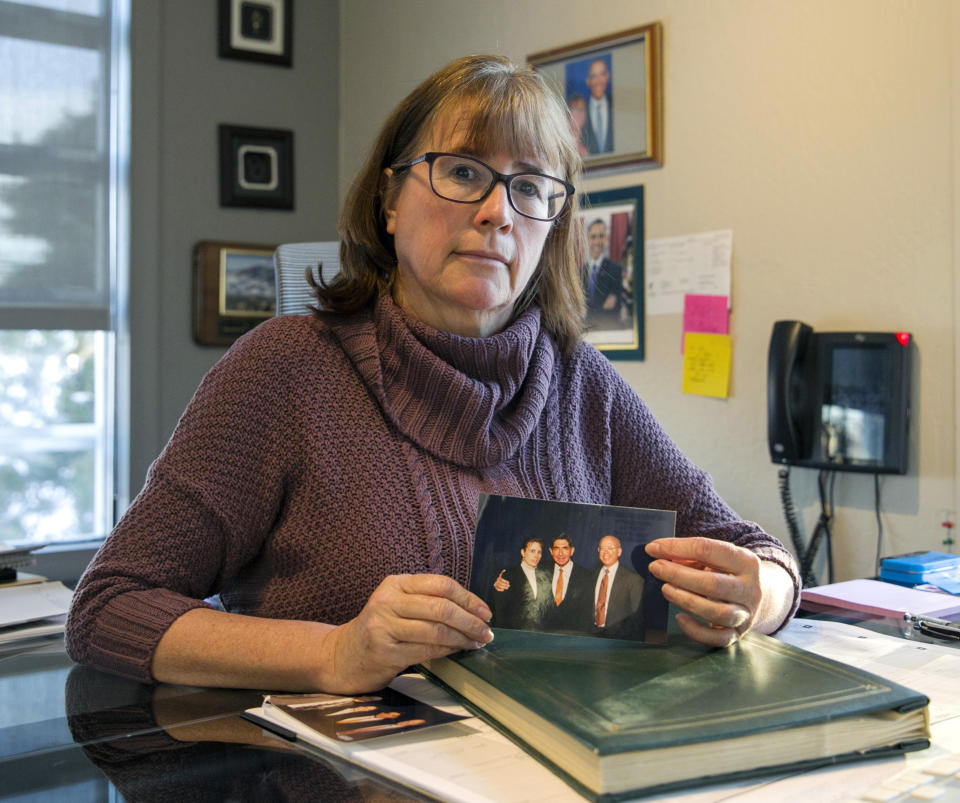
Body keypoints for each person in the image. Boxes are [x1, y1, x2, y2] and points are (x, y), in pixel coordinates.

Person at [65, 54, 800, 696]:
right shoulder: (283, 370)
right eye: (461, 172)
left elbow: (760, 557)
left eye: (532, 188)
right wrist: (336, 651)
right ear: (388, 201)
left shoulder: (584, 384)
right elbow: (108, 606)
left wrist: (757, 595)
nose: (495, 213)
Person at [490, 537, 552, 630]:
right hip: (514, 633)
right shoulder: (508, 575)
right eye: (532, 551)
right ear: (523, 552)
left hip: (539, 634)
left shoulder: (544, 576)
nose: (536, 555)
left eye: (539, 552)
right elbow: (500, 612)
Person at [592, 535, 645, 641]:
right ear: (598, 551)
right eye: (602, 548)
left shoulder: (634, 579)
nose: (606, 552)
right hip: (591, 635)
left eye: (610, 548)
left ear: (619, 552)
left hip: (617, 639)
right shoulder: (592, 575)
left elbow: (637, 619)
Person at [542, 534, 594, 632]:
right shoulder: (541, 569)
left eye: (565, 548)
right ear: (551, 551)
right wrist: (503, 578)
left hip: (571, 639)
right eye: (556, 548)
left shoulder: (586, 576)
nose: (560, 553)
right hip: (543, 636)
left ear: (572, 551)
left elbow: (586, 616)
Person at [582, 218, 624, 328]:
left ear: (606, 239)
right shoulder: (580, 272)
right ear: (588, 239)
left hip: (607, 327)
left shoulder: (615, 269)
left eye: (601, 236)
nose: (597, 242)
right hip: (587, 329)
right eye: (593, 237)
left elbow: (613, 306)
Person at [581, 57, 613, 154]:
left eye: (602, 74)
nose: (599, 81)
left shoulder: (618, 106)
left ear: (608, 76)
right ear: (588, 81)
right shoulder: (580, 111)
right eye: (594, 76)